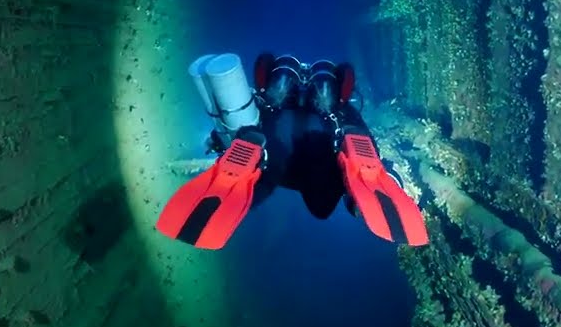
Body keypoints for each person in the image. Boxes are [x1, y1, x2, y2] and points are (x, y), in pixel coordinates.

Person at [155, 52, 430, 250]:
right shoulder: (341, 111)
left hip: (273, 140)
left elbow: (237, 120)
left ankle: (248, 159)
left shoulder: (275, 112)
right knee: (322, 206)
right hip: (320, 140)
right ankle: (364, 175)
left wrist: (220, 142)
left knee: (259, 181)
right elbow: (351, 118)